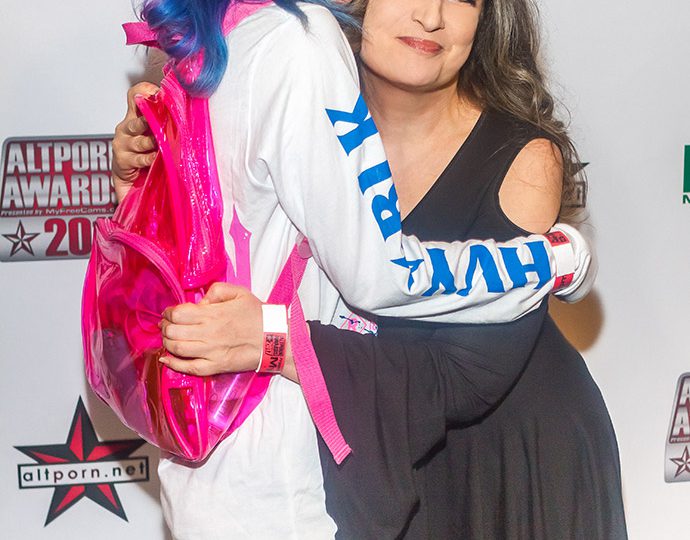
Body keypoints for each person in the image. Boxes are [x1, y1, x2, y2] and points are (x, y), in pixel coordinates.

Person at [111, 0, 611, 538]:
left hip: (504, 465)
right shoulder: (303, 98)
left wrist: (276, 342)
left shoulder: (525, 159)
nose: (432, 16)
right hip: (369, 459)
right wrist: (149, 178)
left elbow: (461, 378)